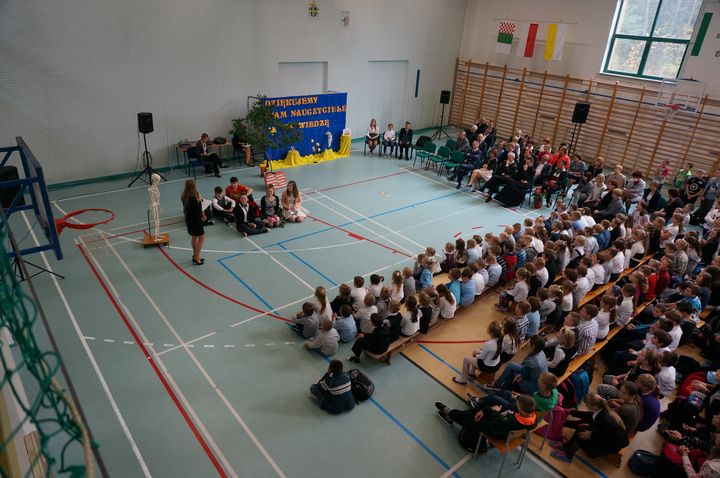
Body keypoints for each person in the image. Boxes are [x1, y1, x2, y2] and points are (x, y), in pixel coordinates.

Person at [434, 395, 537, 452]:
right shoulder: (531, 417)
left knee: (472, 418)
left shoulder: (512, 422)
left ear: (521, 410)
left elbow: (493, 427)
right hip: (500, 425)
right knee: (477, 412)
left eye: (518, 406)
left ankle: (449, 412)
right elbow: (508, 411)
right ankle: (451, 415)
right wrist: (486, 410)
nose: (516, 406)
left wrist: (494, 411)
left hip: (494, 431)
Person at [550, 393, 629, 462]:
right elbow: (593, 420)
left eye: (587, 405)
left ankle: (568, 456)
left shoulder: (605, 418)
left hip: (611, 444)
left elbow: (607, 437)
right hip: (607, 435)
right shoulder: (602, 410)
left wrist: (591, 434)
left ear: (594, 406)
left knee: (581, 433)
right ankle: (566, 446)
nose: (586, 406)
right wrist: (571, 412)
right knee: (582, 427)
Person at [181, 180, 207, 265]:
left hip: (189, 219)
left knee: (194, 236)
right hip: (195, 220)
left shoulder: (184, 195)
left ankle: (196, 255)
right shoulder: (192, 198)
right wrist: (199, 200)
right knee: (202, 238)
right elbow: (198, 210)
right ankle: (196, 257)